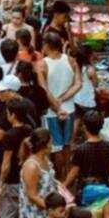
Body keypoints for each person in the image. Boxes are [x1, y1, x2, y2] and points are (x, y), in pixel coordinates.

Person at [37, 33, 80, 174]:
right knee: (67, 144)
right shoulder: (71, 60)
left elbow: (44, 90)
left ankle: (59, 176)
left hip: (51, 113)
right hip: (69, 109)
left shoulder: (42, 64)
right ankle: (66, 173)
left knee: (56, 147)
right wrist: (63, 99)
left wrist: (56, 106)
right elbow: (78, 84)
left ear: (48, 46)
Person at [64, 110, 109, 193]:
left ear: (85, 127)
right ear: (101, 126)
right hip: (103, 190)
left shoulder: (80, 149)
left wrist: (63, 186)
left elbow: (73, 173)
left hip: (86, 192)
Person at [18, 127, 55, 218]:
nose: (52, 145)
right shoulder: (32, 166)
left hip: (48, 209)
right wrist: (52, 208)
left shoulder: (45, 159)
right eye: (50, 143)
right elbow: (32, 196)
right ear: (44, 145)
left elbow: (49, 180)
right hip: (36, 215)